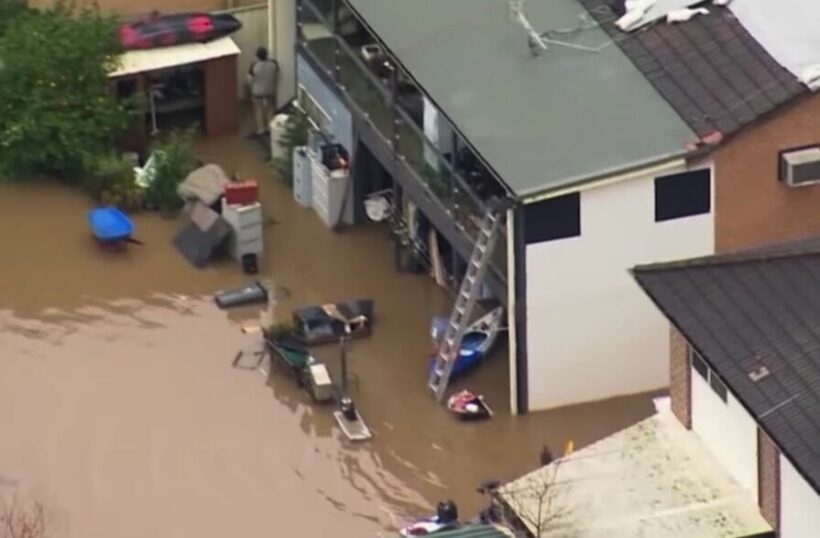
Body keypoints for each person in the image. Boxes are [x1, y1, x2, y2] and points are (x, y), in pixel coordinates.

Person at [247, 47, 279, 136]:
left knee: (258, 110)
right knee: (270, 110)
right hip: (270, 90)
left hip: (257, 92)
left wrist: (252, 87)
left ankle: (261, 129)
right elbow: (276, 75)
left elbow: (249, 80)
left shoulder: (254, 65)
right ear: (267, 54)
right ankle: (270, 128)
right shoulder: (273, 64)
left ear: (257, 56)